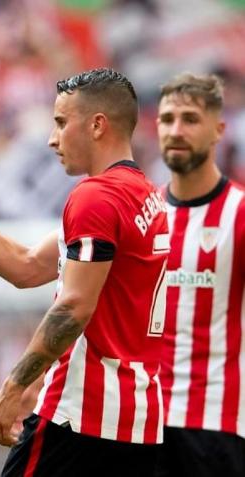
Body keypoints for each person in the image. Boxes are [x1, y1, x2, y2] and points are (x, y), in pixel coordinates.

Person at [0, 68, 169, 476]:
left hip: (81, 415)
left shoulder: (95, 198)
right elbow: (27, 267)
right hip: (135, 421)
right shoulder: (144, 196)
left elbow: (73, 306)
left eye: (60, 123)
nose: (52, 139)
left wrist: (14, 387)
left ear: (97, 125)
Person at [153, 73, 245, 477]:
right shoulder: (142, 212)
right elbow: (31, 264)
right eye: (167, 118)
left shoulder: (240, 213)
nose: (176, 130)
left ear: (218, 131)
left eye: (190, 119)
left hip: (216, 424)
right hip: (143, 423)